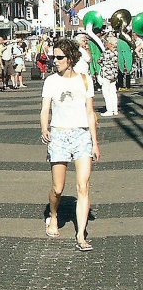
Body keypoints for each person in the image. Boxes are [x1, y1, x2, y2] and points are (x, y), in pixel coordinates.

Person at [40, 38, 99, 251]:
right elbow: (45, 108)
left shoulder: (85, 80)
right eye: (53, 57)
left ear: (71, 58)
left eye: (59, 57)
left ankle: (81, 235)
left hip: (81, 135)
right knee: (58, 188)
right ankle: (53, 214)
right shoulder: (51, 82)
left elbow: (90, 112)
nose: (55, 61)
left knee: (83, 187)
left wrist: (95, 142)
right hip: (59, 135)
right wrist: (44, 128)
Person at [97, 36, 119, 116]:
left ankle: (109, 110)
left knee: (106, 93)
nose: (105, 44)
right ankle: (115, 109)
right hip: (114, 74)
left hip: (106, 74)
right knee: (113, 92)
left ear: (110, 44)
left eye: (107, 42)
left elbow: (99, 61)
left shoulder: (107, 53)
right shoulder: (117, 52)